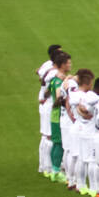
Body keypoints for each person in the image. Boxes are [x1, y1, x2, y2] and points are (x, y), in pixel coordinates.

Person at [44, 50, 72, 184]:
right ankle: (56, 172)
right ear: (62, 65)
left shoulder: (57, 79)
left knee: (57, 143)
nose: (70, 65)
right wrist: (63, 93)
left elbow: (45, 94)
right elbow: (58, 99)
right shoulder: (57, 81)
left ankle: (54, 170)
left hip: (56, 116)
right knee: (59, 143)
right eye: (68, 63)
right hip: (58, 117)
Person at [37, 44, 61, 176]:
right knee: (49, 136)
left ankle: (44, 165)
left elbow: (38, 72)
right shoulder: (53, 73)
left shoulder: (47, 65)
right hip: (49, 105)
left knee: (46, 136)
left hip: (45, 103)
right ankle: (47, 167)